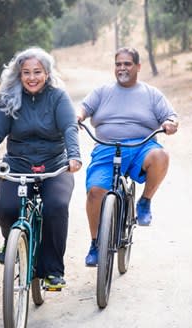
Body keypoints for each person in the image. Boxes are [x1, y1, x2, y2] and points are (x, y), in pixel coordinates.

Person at [0, 47, 82, 289]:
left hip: (54, 164)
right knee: (6, 207)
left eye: (37, 72)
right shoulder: (8, 97)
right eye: (26, 72)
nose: (32, 77)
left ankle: (52, 270)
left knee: (56, 206)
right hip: (18, 164)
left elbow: (69, 128)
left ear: (47, 73)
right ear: (19, 75)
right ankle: (10, 241)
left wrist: (74, 156)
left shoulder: (58, 97)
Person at [77, 47, 178, 267]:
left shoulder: (151, 93)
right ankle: (95, 243)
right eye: (118, 64)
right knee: (95, 192)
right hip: (107, 147)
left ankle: (145, 202)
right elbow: (83, 108)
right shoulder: (102, 92)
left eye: (127, 64)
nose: (122, 68)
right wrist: (78, 116)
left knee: (161, 155)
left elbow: (170, 116)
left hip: (142, 146)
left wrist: (170, 124)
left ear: (138, 67)